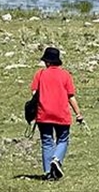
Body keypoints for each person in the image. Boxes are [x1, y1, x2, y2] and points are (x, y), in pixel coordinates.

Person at [30, 47, 84, 180]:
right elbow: (70, 96)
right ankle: (57, 159)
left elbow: (34, 94)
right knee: (63, 139)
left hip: (44, 114)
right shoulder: (65, 75)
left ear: (47, 62)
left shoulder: (40, 74)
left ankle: (48, 172)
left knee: (47, 141)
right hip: (61, 114)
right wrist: (78, 113)